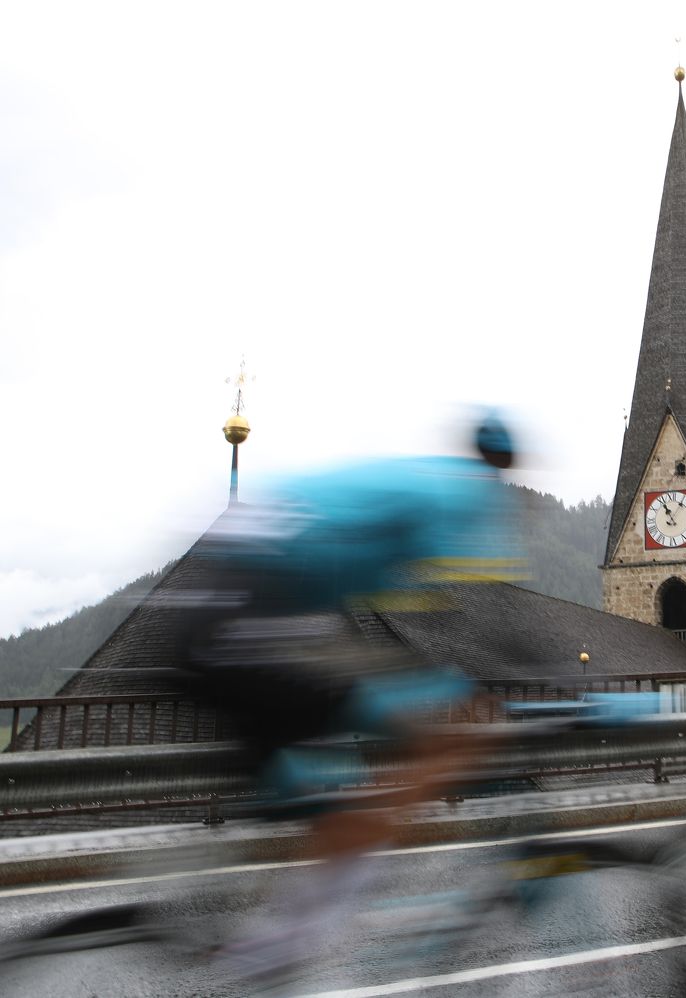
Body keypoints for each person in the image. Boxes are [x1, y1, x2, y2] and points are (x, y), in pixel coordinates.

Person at [178, 408, 528, 982]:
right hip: (248, 617)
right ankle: (277, 946)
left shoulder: (428, 478)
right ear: (501, 468)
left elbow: (426, 622)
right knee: (436, 748)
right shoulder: (455, 499)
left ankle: (281, 923)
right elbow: (465, 620)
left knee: (359, 755)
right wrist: (497, 692)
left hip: (239, 609)